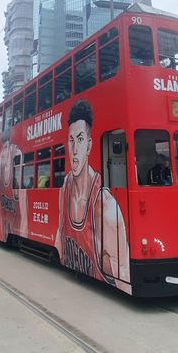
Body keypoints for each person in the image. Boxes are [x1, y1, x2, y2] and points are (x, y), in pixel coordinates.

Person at [54, 99, 130, 290]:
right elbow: (60, 241)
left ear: (89, 145)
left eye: (80, 139)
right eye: (71, 141)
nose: (74, 149)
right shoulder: (65, 188)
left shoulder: (106, 207)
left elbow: (123, 276)